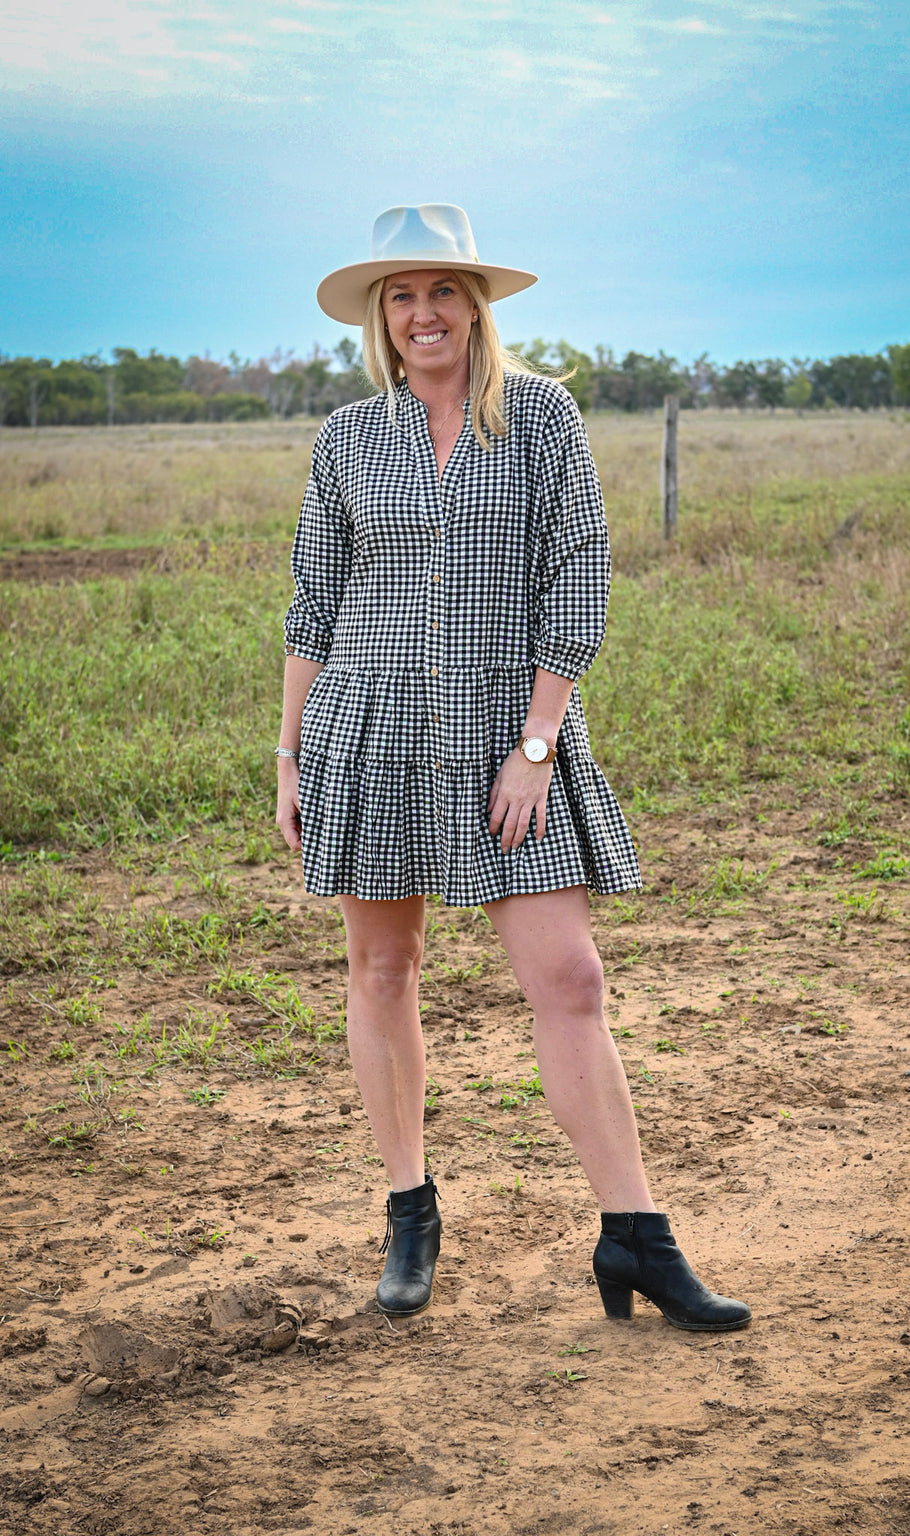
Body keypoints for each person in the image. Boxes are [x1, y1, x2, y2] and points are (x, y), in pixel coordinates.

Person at [275, 204, 750, 1334]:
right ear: (380, 319)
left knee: (569, 978)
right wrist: (290, 753)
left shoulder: (540, 416)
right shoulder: (348, 437)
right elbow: (313, 603)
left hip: (506, 734)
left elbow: (576, 578)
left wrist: (536, 744)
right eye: (402, 295)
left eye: (443, 291)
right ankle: (409, 1212)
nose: (423, 312)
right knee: (382, 972)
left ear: (476, 307)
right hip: (369, 727)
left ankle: (635, 1237)